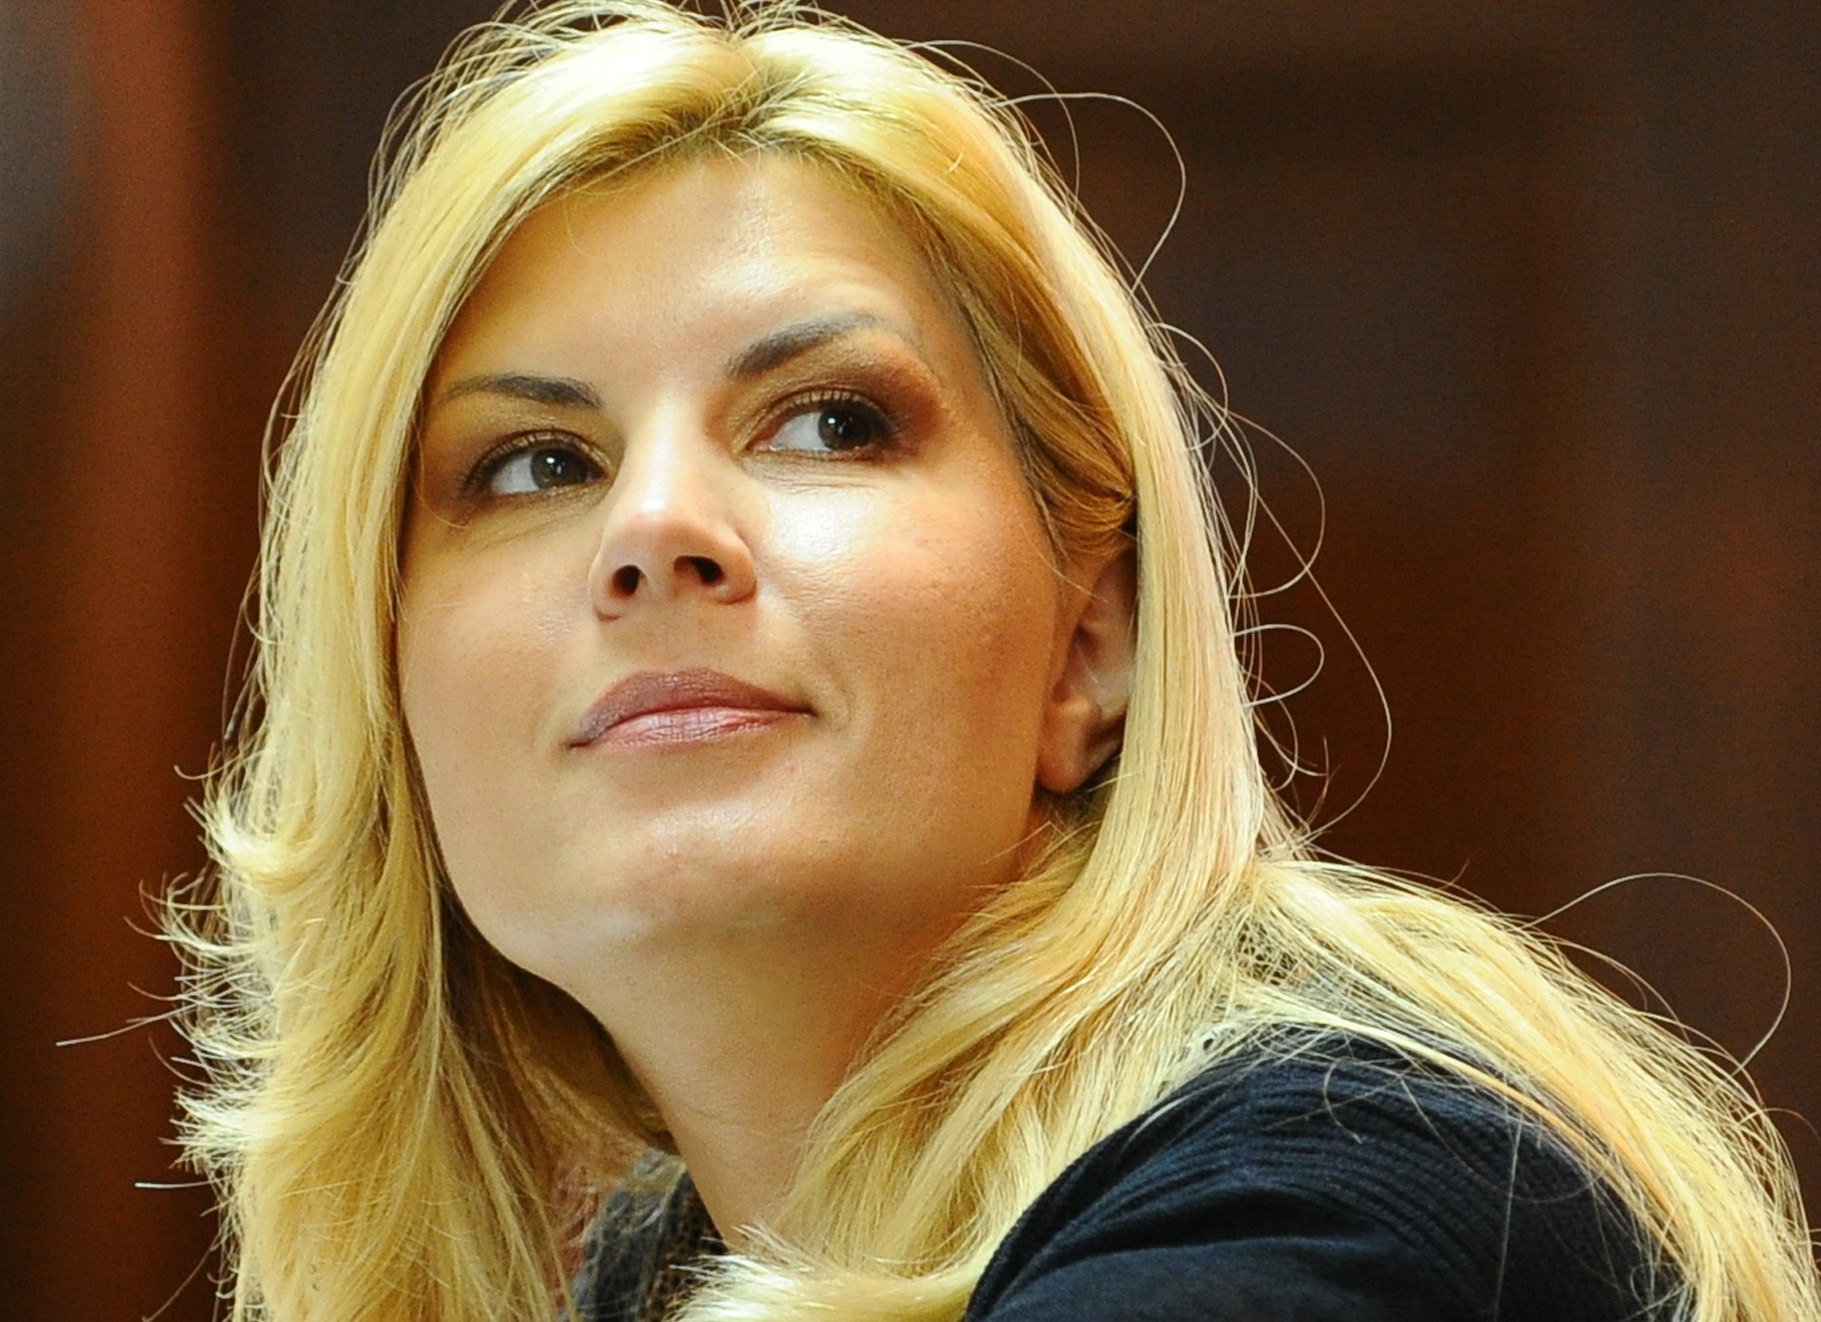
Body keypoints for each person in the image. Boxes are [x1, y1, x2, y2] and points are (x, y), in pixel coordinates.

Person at [170, 3, 1818, 1320]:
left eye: (828, 422)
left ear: (1091, 637)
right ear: (389, 690)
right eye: (535, 463)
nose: (655, 527)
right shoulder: (668, 1266)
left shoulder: (1335, 1199)